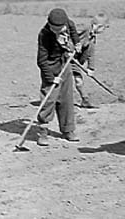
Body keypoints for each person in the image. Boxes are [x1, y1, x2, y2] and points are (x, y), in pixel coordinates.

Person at [36, 8, 82, 146]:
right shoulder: (44, 35)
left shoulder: (67, 23)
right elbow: (41, 61)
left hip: (64, 62)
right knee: (49, 100)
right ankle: (42, 132)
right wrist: (51, 78)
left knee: (66, 98)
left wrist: (77, 42)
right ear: (49, 25)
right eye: (54, 28)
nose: (57, 31)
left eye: (60, 28)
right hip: (50, 67)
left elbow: (73, 30)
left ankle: (68, 130)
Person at [71, 13, 110, 108]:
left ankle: (85, 100)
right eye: (104, 28)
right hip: (64, 57)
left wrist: (90, 68)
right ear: (99, 26)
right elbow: (69, 32)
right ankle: (53, 102)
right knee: (60, 81)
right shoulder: (84, 28)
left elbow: (91, 53)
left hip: (75, 60)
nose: (103, 31)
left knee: (78, 81)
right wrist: (68, 48)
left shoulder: (92, 37)